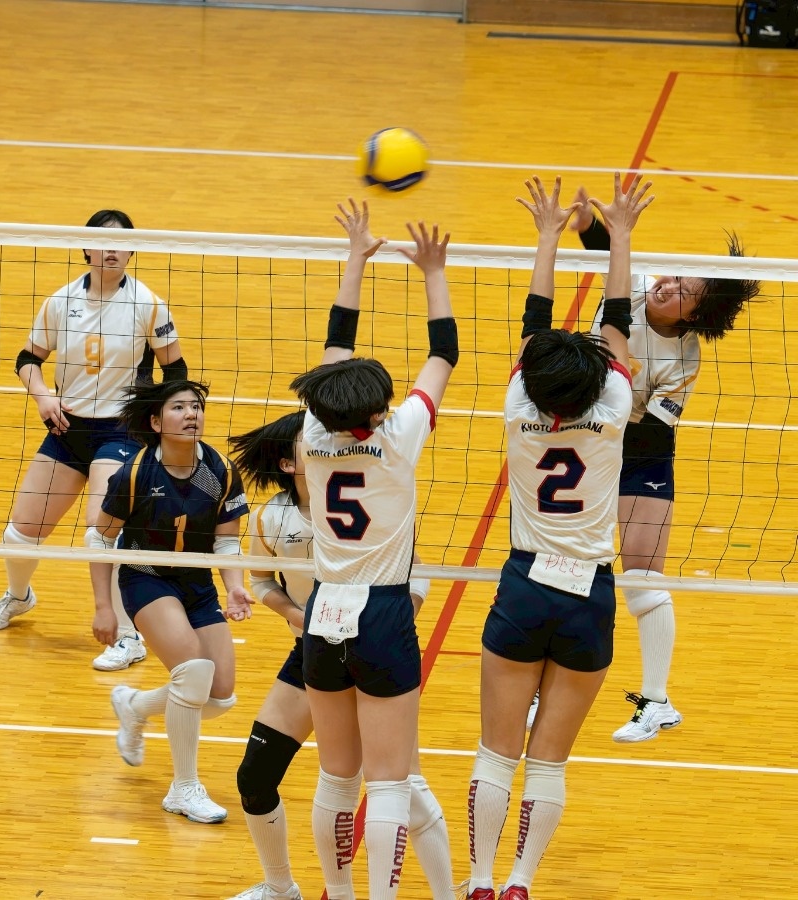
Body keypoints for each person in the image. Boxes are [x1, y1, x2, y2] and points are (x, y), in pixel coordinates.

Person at [462, 173, 652, 900]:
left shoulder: (519, 404)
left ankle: (480, 882)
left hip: (523, 586)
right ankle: (519, 883)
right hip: (588, 595)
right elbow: (617, 320)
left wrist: (545, 236)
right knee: (548, 762)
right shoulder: (615, 404)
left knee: (496, 753)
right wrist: (621, 235)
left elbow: (534, 325)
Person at [291, 199, 458, 900]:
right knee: (388, 781)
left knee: (335, 777)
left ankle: (340, 893)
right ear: (379, 408)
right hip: (383, 613)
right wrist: (433, 273)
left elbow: (335, 351)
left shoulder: (310, 432)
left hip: (324, 609)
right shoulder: (400, 434)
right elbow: (443, 354)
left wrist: (354, 261)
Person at [225, 411, 455, 900]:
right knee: (255, 774)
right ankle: (280, 888)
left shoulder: (375, 498)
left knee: (404, 786)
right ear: (289, 463)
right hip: (313, 649)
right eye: (311, 439)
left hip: (375, 644)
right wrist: (297, 614)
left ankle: (447, 893)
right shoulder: (271, 518)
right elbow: (262, 581)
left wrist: (394, 620)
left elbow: (417, 573)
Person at [571, 185, 760, 743]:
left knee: (643, 581)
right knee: (565, 568)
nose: (667, 284)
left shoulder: (685, 359)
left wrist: (604, 409)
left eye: (683, 290)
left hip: (640, 456)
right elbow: (606, 250)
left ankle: (657, 702)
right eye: (674, 274)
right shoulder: (633, 284)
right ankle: (542, 687)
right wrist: (586, 222)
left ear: (696, 315)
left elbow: (653, 433)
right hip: (584, 443)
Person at [0, 209, 188, 675]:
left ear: (132, 250)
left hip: (121, 432)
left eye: (121, 242)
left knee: (101, 532)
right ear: (85, 247)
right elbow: (27, 358)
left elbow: (176, 372)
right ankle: (18, 597)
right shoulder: (60, 301)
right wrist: (42, 395)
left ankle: (129, 636)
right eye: (101, 241)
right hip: (67, 429)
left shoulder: (149, 305)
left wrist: (160, 424)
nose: (111, 250)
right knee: (21, 532)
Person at [97, 379, 253, 824]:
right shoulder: (135, 474)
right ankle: (184, 788)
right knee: (194, 671)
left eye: (196, 407)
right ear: (155, 422)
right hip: (146, 576)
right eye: (179, 407)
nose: (191, 414)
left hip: (195, 581)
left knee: (220, 695)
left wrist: (234, 585)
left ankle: (135, 706)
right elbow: (100, 539)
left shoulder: (218, 471)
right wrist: (104, 607)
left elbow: (227, 542)